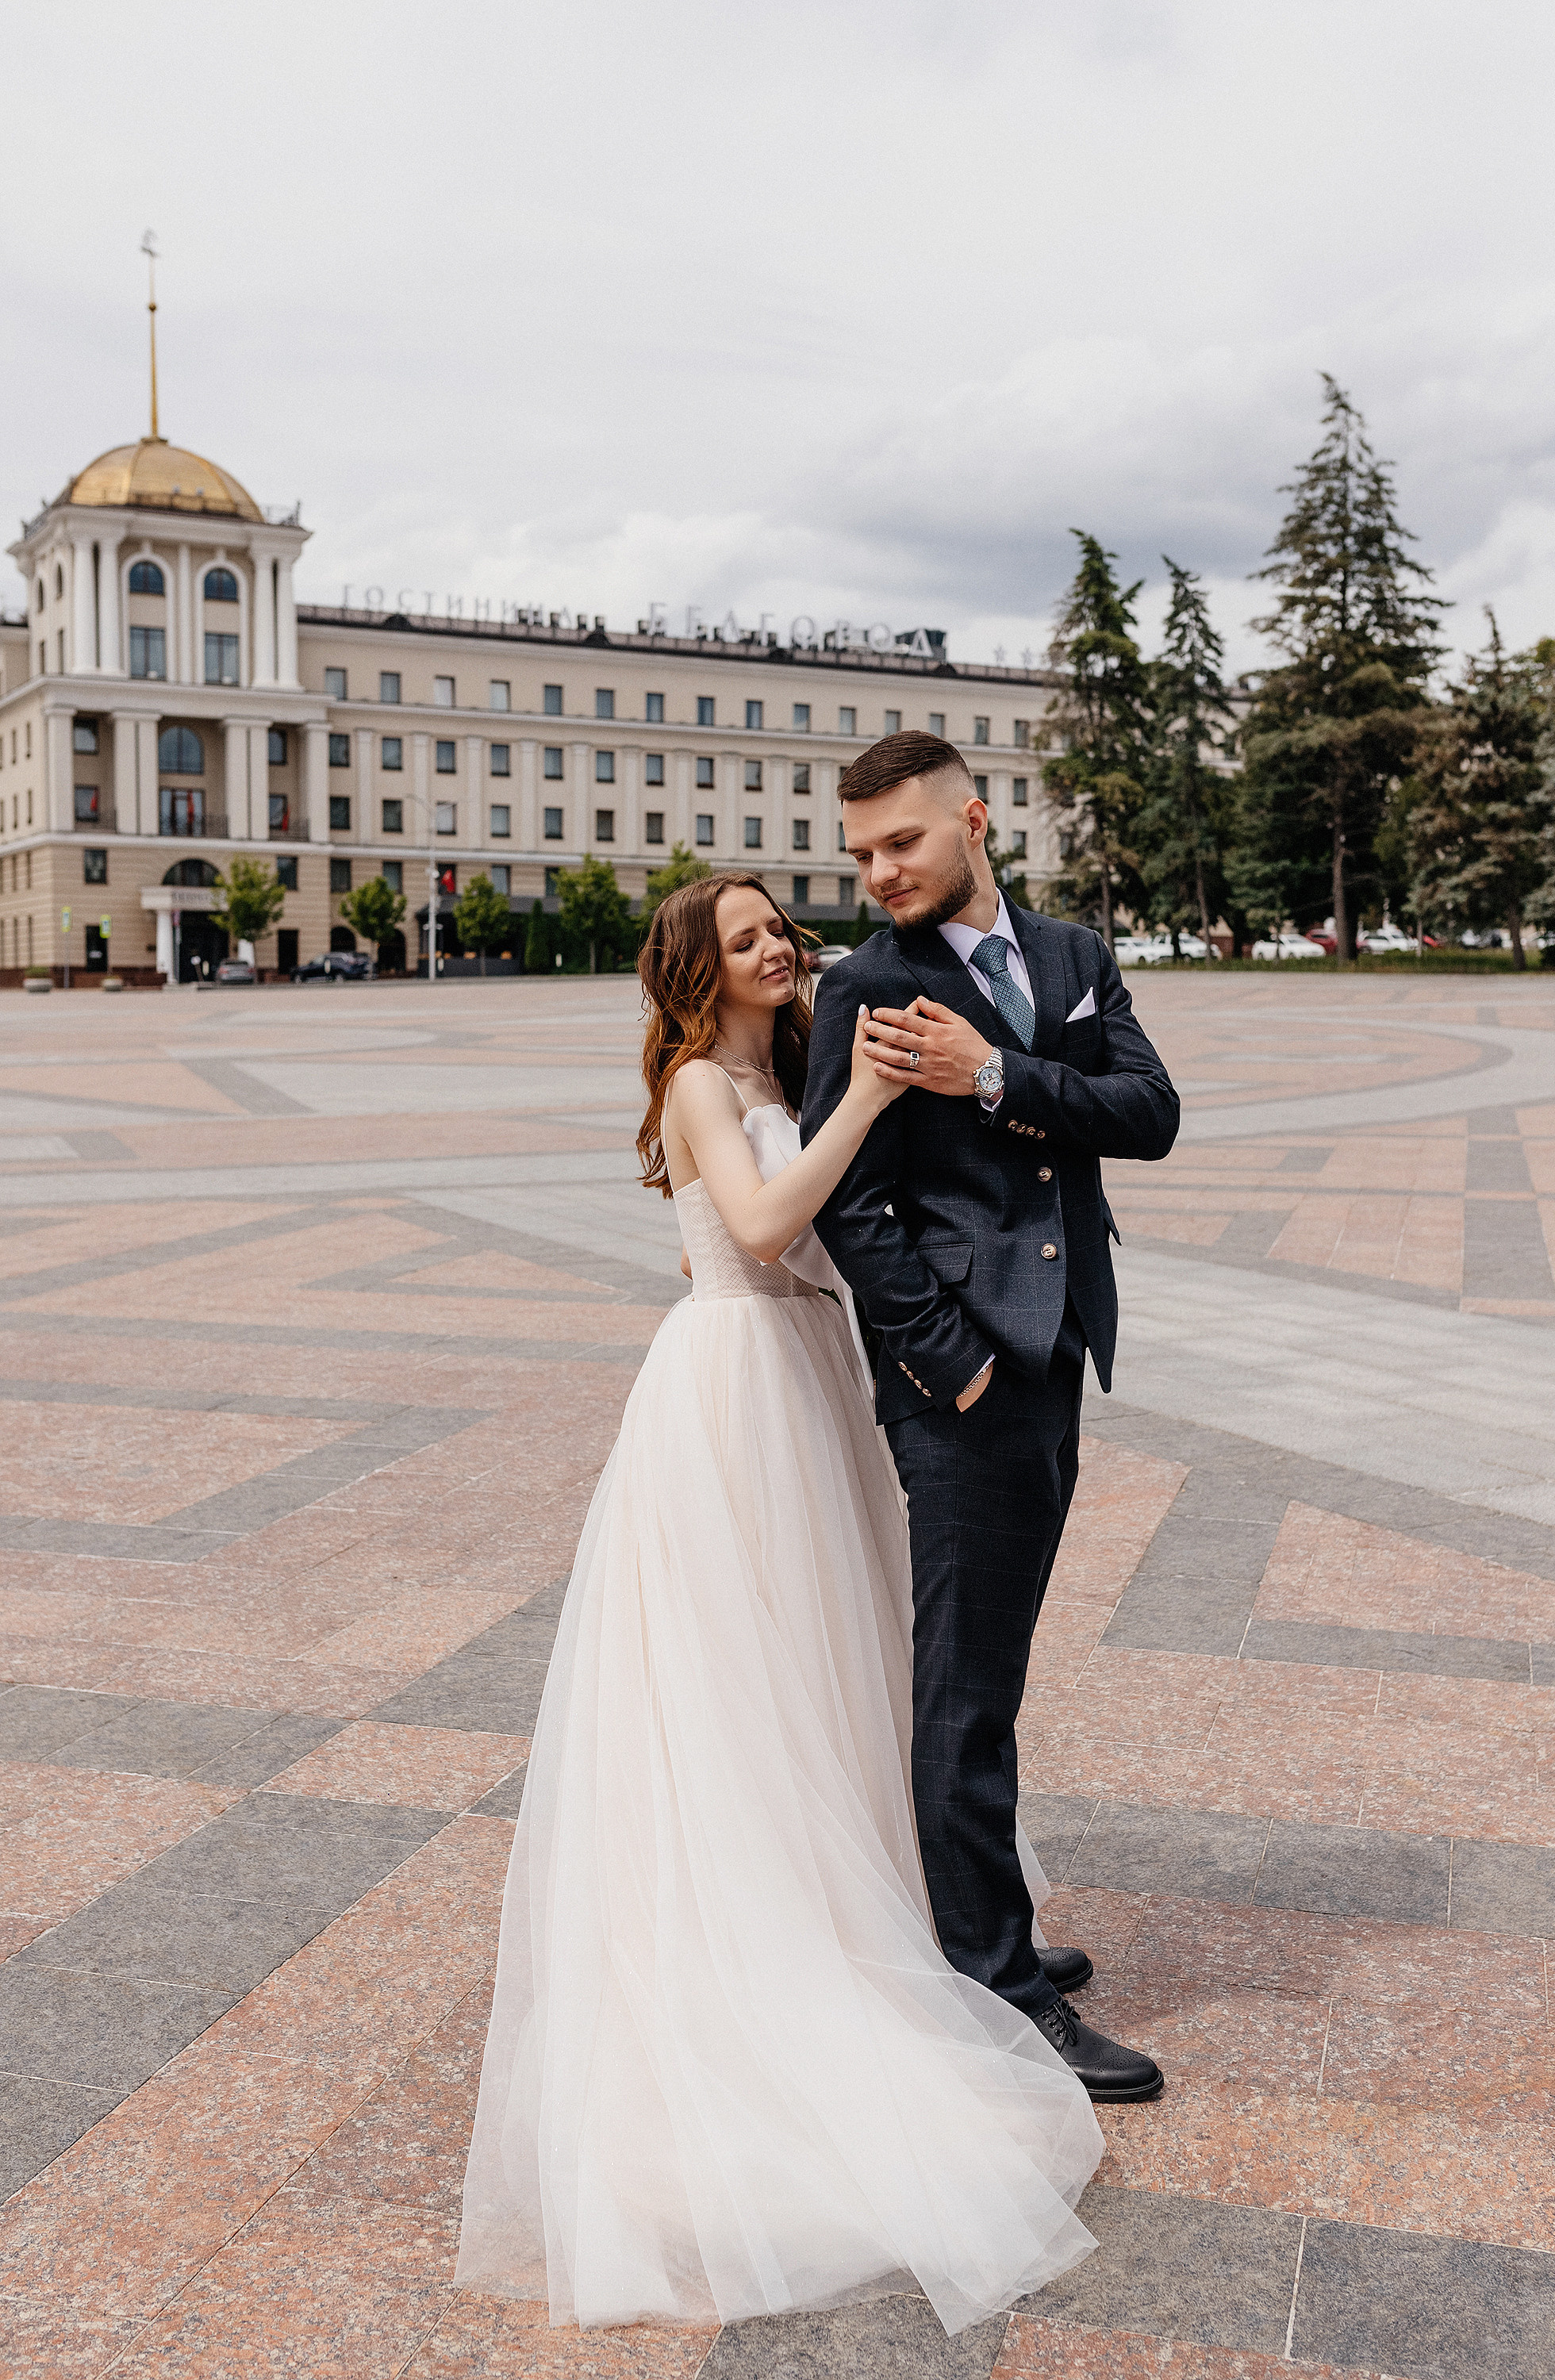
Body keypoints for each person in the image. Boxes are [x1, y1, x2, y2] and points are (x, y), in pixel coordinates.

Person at [456, 872, 1104, 2339]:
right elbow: (757, 1227)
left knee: (845, 1660)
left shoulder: (793, 1054)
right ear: (699, 968)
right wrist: (861, 1109)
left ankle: (898, 1907)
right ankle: (788, 1938)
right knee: (747, 1670)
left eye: (777, 927)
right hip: (734, 1382)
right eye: (745, 937)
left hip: (813, 1377)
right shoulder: (701, 1081)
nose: (777, 945)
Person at [801, 729, 1180, 2101]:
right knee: (965, 1685)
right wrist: (942, 1362)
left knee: (996, 1664)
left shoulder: (1072, 957)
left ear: (973, 820)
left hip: (1063, 1349)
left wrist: (995, 1077)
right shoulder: (866, 986)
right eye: (859, 854)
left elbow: (1148, 1113)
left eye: (901, 842)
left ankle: (978, 1923)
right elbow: (847, 1201)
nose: (879, 872)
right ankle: (998, 1989)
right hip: (962, 1380)